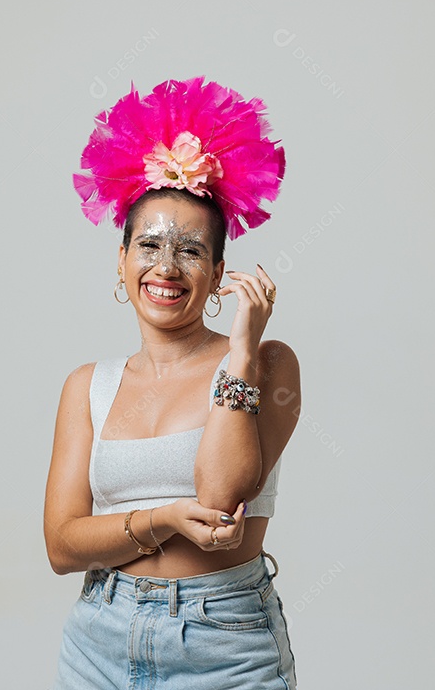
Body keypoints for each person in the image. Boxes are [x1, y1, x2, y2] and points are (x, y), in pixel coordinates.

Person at [44, 76, 300, 688]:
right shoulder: (87, 386)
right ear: (122, 259)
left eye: (190, 251)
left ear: (218, 273)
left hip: (226, 641)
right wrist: (162, 519)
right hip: (99, 638)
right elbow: (62, 545)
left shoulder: (268, 365)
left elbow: (220, 496)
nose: (166, 266)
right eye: (149, 244)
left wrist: (239, 353)